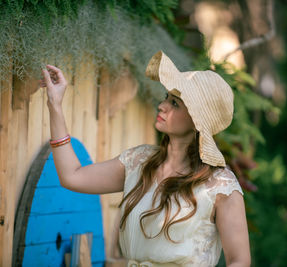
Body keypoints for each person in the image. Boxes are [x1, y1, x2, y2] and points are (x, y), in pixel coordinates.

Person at [40, 51, 251, 267]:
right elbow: (72, 176)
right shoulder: (139, 162)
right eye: (166, 98)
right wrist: (54, 105)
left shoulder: (221, 186)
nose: (162, 106)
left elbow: (240, 261)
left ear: (197, 121)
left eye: (175, 103)